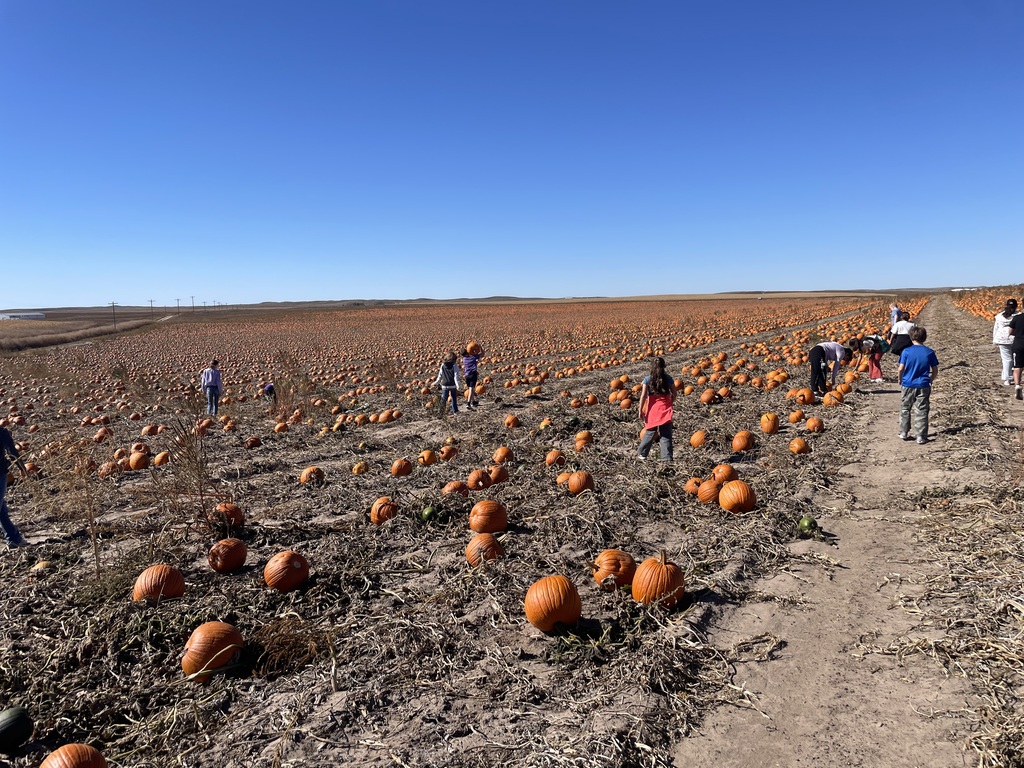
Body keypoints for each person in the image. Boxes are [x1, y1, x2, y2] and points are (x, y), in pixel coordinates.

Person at [898, 326, 939, 444]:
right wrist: (931, 379)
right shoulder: (929, 352)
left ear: (911, 338)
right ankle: (920, 435)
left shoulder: (906, 351)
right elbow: (935, 369)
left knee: (905, 408)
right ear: (924, 338)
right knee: (921, 409)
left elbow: (901, 369)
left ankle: (904, 432)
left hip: (908, 384)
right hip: (923, 384)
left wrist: (900, 379)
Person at [637, 357, 676, 461]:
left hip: (652, 409)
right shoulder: (668, 378)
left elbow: (643, 396)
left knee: (649, 432)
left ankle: (642, 454)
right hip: (665, 408)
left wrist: (640, 410)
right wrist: (670, 403)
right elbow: (674, 393)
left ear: (652, 367)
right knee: (666, 434)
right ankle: (666, 458)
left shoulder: (647, 379)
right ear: (664, 366)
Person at [0, 426, 28, 549]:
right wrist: (22, 468)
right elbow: (12, 452)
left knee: (2, 511)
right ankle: (14, 539)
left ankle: (14, 539)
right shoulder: (1, 432)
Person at [992, 299, 1018, 386]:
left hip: (1002, 339)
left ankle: (1007, 379)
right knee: (1014, 359)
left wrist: (994, 340)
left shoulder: (999, 316)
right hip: (1015, 339)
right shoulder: (1019, 316)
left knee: (1006, 360)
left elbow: (996, 328)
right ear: (1016, 306)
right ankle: (1011, 377)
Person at [434, 351, 461, 417]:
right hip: (452, 385)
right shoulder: (455, 366)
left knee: (443, 399)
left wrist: (436, 382)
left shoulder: (442, 365)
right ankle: (455, 411)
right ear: (454, 359)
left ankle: (440, 412)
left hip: (444, 385)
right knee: (454, 398)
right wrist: (458, 386)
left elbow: (440, 375)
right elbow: (456, 376)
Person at [1008, 308, 1024, 401]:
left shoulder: (1017, 318)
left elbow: (1010, 332)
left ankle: (1017, 385)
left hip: (1018, 344)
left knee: (1017, 367)